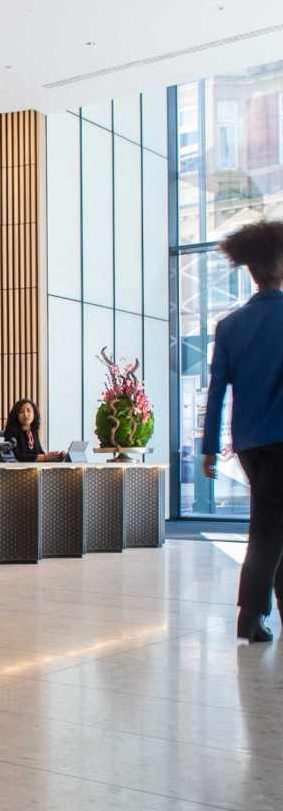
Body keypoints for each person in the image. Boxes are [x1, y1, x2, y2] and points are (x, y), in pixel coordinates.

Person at [202, 220, 283, 644]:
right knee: (268, 527)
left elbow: (216, 391)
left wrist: (209, 448)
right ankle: (250, 615)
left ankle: (266, 612)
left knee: (272, 522)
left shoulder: (230, 325)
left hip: (249, 442)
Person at [4, 398, 67, 462]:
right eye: (21, 411)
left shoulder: (33, 431)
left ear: (34, 413)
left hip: (33, 468)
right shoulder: (11, 431)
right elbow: (15, 456)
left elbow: (40, 453)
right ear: (16, 415)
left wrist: (56, 457)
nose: (25, 414)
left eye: (28, 411)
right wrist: (44, 457)